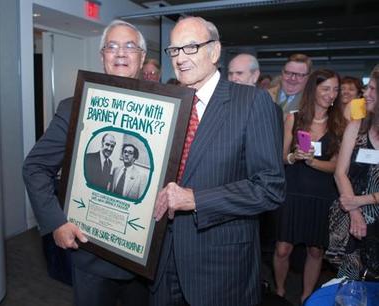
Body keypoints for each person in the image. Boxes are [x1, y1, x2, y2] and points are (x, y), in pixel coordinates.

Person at [151, 16, 285, 306]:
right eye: (174, 50)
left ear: (214, 51)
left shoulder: (251, 102)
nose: (180, 58)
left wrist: (195, 199)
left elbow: (269, 188)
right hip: (163, 256)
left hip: (220, 264)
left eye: (190, 47)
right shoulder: (167, 103)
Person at [22, 20, 148, 306]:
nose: (120, 53)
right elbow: (35, 167)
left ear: (142, 56)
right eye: (111, 46)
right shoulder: (74, 107)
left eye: (130, 46)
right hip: (92, 255)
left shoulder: (167, 111)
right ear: (102, 55)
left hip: (146, 263)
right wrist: (56, 222)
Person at [273, 69, 347, 303]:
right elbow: (281, 157)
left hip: (322, 194)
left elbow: (337, 166)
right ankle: (280, 291)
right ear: (313, 89)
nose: (331, 94)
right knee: (283, 248)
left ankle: (306, 295)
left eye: (335, 89)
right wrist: (295, 156)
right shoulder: (293, 118)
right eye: (326, 88)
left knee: (316, 250)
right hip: (293, 190)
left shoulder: (340, 124)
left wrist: (312, 161)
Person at [333, 70, 379, 280]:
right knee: (352, 281)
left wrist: (357, 201)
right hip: (354, 221)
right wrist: (355, 213)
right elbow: (340, 172)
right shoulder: (357, 125)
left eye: (372, 89)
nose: (366, 93)